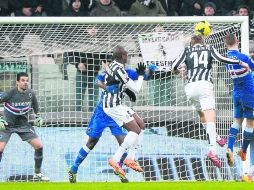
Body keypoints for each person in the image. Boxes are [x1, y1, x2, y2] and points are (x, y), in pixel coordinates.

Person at [67, 63, 156, 183]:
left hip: (116, 112)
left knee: (124, 142)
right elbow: (97, 82)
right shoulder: (109, 71)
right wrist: (108, 89)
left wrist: (151, 70)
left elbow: (145, 77)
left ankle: (118, 169)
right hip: (103, 111)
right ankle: (73, 169)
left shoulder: (128, 72)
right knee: (92, 142)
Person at [171, 35, 245, 168]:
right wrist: (240, 62)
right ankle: (212, 150)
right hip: (205, 85)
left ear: (192, 44)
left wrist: (179, 71)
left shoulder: (186, 50)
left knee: (202, 115)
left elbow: (174, 65)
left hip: (190, 88)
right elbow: (222, 59)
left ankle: (216, 138)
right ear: (202, 42)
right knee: (210, 118)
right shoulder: (209, 48)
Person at [102, 46, 147, 177]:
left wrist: (126, 91)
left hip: (116, 103)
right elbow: (137, 89)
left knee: (141, 125)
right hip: (113, 106)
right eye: (127, 55)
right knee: (135, 130)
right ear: (122, 56)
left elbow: (113, 83)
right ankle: (115, 159)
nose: (128, 57)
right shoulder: (120, 70)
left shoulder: (111, 66)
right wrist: (140, 76)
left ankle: (131, 159)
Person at [0, 72, 49, 181]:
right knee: (0, 149)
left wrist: (38, 116)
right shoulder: (9, 93)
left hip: (23, 125)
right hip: (7, 126)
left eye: (27, 80)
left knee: (39, 146)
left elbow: (35, 105)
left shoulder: (31, 93)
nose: (25, 82)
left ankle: (37, 173)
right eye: (22, 80)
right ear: (17, 82)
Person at [223, 33, 254, 166]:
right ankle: (243, 150)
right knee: (250, 123)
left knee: (237, 121)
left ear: (225, 45)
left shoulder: (226, 59)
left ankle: (229, 147)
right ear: (238, 41)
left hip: (236, 92)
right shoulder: (243, 57)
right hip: (248, 92)